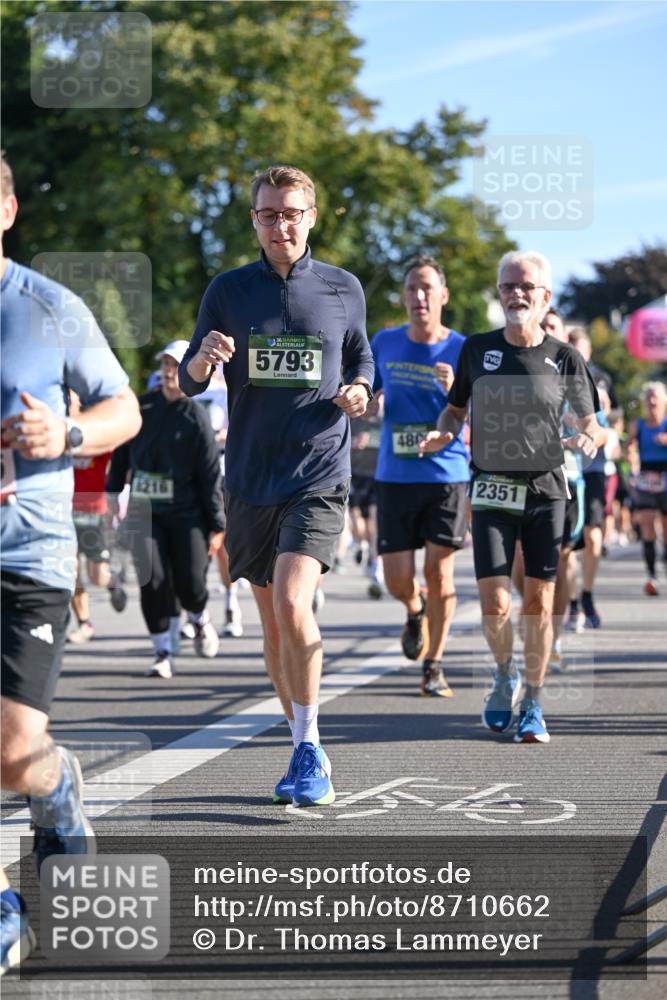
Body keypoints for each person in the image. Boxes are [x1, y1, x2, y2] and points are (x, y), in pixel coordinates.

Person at [179, 164, 373, 807]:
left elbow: (361, 354)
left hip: (319, 469)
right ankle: (297, 740)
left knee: (294, 604)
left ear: (311, 217)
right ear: (255, 221)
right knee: (270, 623)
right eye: (268, 214)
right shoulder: (229, 290)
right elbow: (189, 380)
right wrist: (204, 356)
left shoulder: (343, 288)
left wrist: (360, 389)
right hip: (251, 477)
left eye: (291, 212)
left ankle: (313, 747)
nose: (280, 224)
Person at [0, 152, 141, 976]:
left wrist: (68, 435)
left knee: (15, 753)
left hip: (30, 554)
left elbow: (124, 406)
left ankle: (55, 793)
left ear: (9, 211)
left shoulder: (49, 307)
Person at [420, 250, 604, 743]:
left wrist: (590, 438)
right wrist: (443, 433)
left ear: (545, 296)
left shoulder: (565, 357)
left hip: (547, 491)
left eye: (526, 286)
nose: (516, 294)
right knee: (496, 603)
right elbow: (454, 411)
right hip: (492, 489)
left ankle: (535, 703)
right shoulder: (478, 349)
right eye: (507, 286)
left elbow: (593, 424)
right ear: (499, 294)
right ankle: (505, 675)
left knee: (539, 605)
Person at [371, 256, 470, 696]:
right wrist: (368, 404)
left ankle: (434, 664)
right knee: (396, 578)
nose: (419, 297)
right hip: (394, 474)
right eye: (412, 288)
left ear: (444, 295)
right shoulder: (385, 342)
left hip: (447, 474)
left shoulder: (463, 349)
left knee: (441, 573)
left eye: (427, 288)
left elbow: (484, 411)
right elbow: (369, 392)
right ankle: (415, 609)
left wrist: (455, 391)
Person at [107, 340, 224, 678]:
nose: (169, 372)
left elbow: (209, 476)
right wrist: (113, 493)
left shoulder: (197, 417)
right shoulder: (142, 408)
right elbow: (121, 455)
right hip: (145, 512)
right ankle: (162, 651)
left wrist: (217, 523)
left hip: (188, 514)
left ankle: (200, 618)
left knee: (190, 584)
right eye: (166, 365)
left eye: (176, 365)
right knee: (152, 579)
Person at [66, 393, 127, 645]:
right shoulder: (53, 431)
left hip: (93, 511)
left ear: (77, 401)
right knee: (70, 573)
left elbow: (117, 455)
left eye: (69, 397)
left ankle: (113, 582)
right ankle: (84, 623)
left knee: (96, 575)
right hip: (62, 511)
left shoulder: (92, 432)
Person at [193, 366, 244, 637]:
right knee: (193, 545)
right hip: (192, 476)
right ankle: (195, 614)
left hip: (221, 473)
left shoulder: (224, 391)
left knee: (224, 545)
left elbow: (236, 427)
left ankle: (230, 605)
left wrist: (214, 437)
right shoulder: (188, 389)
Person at [627, 381, 667, 595]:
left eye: (656, 398)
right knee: (648, 527)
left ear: (664, 401)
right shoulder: (638, 425)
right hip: (645, 479)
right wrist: (631, 456)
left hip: (666, 477)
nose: (652, 401)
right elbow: (629, 448)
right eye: (649, 397)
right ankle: (651, 576)